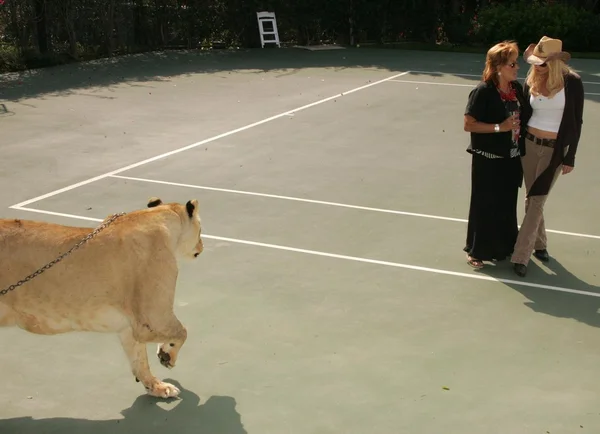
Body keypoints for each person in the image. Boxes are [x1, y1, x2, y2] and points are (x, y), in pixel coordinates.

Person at [511, 36, 585, 277]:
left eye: (541, 62)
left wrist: (570, 156)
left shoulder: (572, 83)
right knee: (531, 198)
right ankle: (540, 244)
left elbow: (577, 121)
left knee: (536, 201)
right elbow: (524, 112)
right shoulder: (532, 78)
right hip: (529, 145)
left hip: (555, 150)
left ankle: (521, 255)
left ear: (554, 62)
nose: (536, 65)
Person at [463, 40, 532, 268]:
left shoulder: (516, 90)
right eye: (512, 64)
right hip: (488, 159)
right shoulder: (483, 91)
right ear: (499, 66)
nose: (517, 67)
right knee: (484, 204)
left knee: (506, 204)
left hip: (512, 158)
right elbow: (469, 124)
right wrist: (499, 127)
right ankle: (476, 250)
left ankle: (504, 247)